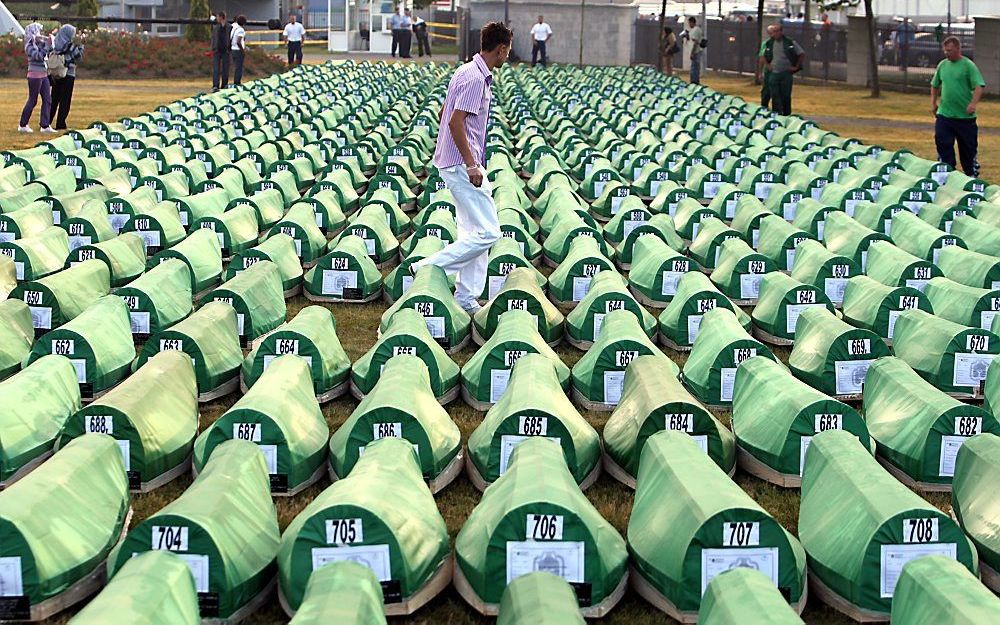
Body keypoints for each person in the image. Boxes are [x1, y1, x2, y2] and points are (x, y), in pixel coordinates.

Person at [409, 21, 512, 316]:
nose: (508, 56)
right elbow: (454, 121)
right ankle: (427, 269)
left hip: (455, 161)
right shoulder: (477, 78)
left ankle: (466, 298)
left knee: (474, 232)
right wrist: (471, 164)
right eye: (508, 51)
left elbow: (445, 112)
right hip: (461, 164)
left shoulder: (465, 70)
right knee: (490, 232)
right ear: (501, 48)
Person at [931, 36, 985, 177]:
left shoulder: (968, 65)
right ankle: (947, 173)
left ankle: (970, 175)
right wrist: (933, 102)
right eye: (945, 50)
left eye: (949, 50)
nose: (946, 53)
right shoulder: (942, 65)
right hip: (945, 115)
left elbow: (979, 86)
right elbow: (935, 84)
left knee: (967, 150)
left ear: (957, 49)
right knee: (943, 142)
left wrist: (973, 104)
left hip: (965, 118)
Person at [18, 23, 54, 133]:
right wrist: (46, 47)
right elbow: (38, 56)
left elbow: (49, 51)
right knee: (33, 100)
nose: (40, 34)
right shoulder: (29, 45)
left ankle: (45, 125)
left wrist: (49, 43)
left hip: (44, 74)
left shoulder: (40, 43)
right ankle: (23, 125)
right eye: (38, 31)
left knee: (47, 100)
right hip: (34, 75)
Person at [763, 23, 804, 115]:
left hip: (786, 73)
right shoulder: (770, 43)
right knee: (774, 94)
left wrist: (796, 66)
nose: (775, 34)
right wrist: (768, 65)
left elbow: (801, 53)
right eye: (773, 32)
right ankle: (776, 112)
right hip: (774, 72)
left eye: (777, 31)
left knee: (785, 95)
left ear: (781, 32)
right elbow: (764, 55)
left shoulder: (789, 42)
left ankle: (786, 113)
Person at [49, 24, 83, 131]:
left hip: (57, 73)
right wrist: (81, 46)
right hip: (68, 74)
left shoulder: (56, 43)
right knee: (65, 100)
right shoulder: (71, 45)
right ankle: (60, 123)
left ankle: (47, 121)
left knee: (54, 98)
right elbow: (78, 57)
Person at [757, 24, 777, 108]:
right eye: (771, 32)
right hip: (769, 71)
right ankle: (764, 108)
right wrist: (760, 72)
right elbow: (761, 58)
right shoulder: (766, 44)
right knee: (766, 91)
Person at [211, 12, 231, 91]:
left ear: (221, 17)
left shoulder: (229, 27)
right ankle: (215, 85)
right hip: (217, 50)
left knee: (225, 68)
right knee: (216, 69)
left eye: (218, 17)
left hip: (226, 50)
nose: (217, 19)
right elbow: (213, 38)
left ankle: (224, 84)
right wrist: (213, 47)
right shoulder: (216, 27)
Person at [685, 17, 703, 84]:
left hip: (696, 51)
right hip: (693, 51)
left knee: (695, 68)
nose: (689, 24)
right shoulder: (692, 30)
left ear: (692, 22)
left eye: (689, 23)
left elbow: (695, 42)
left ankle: (695, 81)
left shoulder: (696, 30)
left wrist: (692, 52)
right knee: (693, 67)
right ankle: (693, 80)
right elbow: (690, 40)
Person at [230, 15, 247, 86]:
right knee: (239, 67)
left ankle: (236, 81)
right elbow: (238, 41)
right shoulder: (241, 30)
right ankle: (237, 82)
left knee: (236, 67)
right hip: (238, 50)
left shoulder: (234, 28)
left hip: (232, 49)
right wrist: (242, 50)